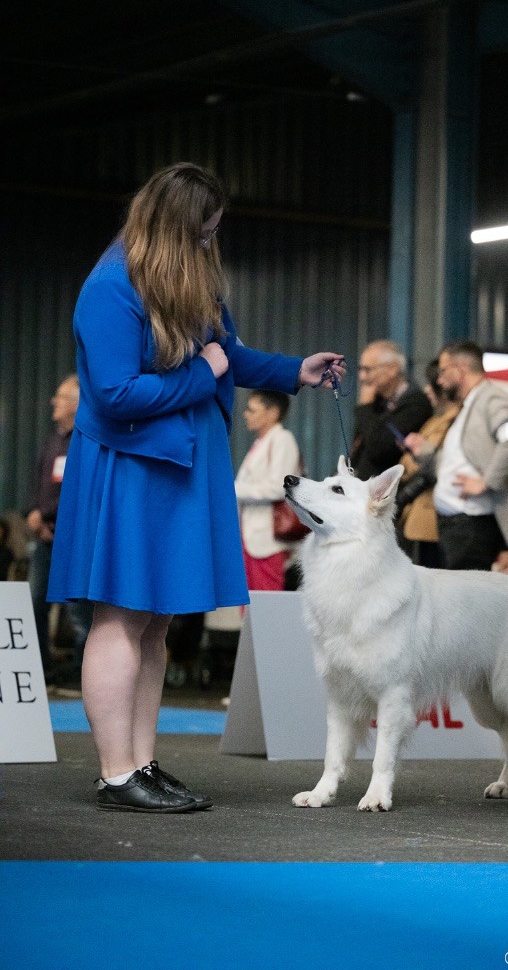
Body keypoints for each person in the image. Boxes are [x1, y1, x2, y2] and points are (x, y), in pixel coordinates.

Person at [47, 162, 346, 814]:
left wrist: (296, 370)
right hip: (131, 469)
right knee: (121, 617)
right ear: (174, 227)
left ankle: (141, 764)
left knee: (154, 624)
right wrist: (202, 373)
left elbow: (228, 354)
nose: (211, 244)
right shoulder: (111, 286)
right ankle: (116, 772)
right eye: (203, 233)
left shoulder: (185, 280)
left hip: (177, 468)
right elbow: (116, 393)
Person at [413, 340, 508, 571]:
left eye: (442, 370)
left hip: (472, 527)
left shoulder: (492, 399)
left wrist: (487, 482)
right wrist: (426, 451)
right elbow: (459, 461)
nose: (439, 379)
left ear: (459, 370)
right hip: (456, 526)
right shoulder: (468, 406)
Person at [26, 375, 93, 682]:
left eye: (61, 397)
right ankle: (41, 667)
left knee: (80, 609)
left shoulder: (85, 440)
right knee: (34, 603)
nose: (54, 402)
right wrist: (34, 515)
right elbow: (37, 484)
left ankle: (85, 670)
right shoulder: (51, 440)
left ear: (77, 405)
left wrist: (47, 515)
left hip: (73, 539)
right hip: (43, 538)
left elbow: (79, 491)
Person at [235, 389, 303, 591]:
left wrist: (234, 488)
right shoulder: (260, 442)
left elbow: (277, 488)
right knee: (249, 605)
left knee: (265, 602)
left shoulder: (282, 439)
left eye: (251, 410)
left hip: (267, 539)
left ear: (273, 412)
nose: (245, 414)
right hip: (250, 535)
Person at [395, 360, 460, 567]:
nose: (427, 390)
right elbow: (405, 465)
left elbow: (426, 465)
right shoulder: (434, 421)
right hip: (416, 517)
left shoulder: (455, 421)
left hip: (432, 517)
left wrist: (418, 455)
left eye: (432, 384)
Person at [349, 339, 432, 480]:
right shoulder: (378, 401)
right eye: (360, 369)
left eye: (368, 369)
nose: (362, 376)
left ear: (392, 370)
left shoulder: (416, 404)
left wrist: (365, 408)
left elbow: (378, 449)